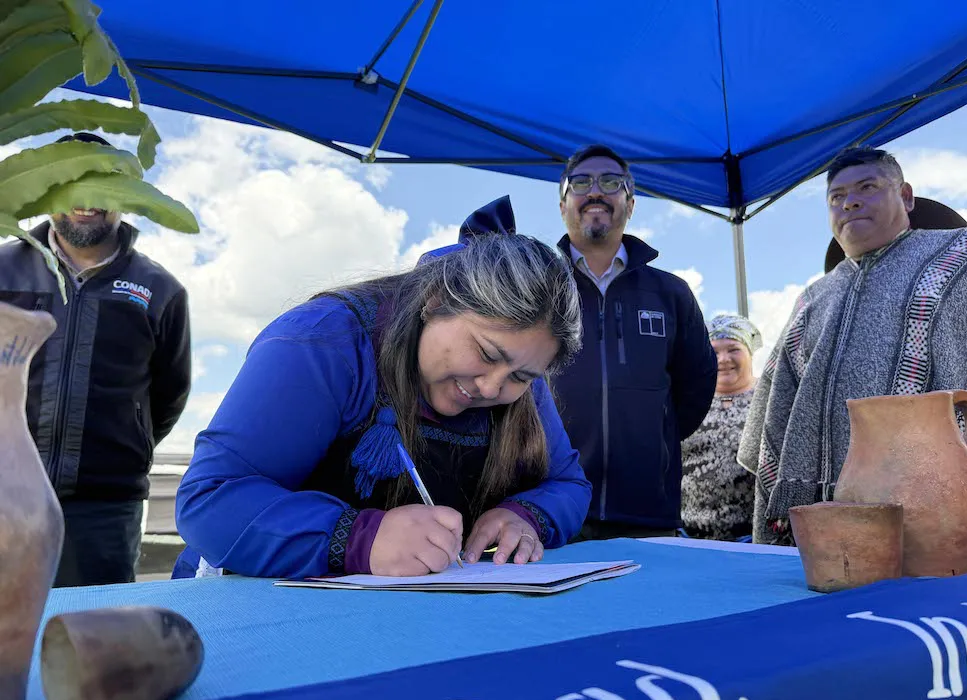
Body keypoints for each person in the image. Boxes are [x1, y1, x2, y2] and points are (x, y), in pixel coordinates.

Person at [171, 197, 591, 579]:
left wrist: (527, 516)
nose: (491, 386)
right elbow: (210, 500)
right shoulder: (322, 341)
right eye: (485, 352)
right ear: (435, 301)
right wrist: (360, 539)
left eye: (521, 377)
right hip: (253, 611)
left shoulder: (520, 373)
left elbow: (568, 484)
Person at [738, 146, 967, 557]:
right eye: (836, 197)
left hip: (942, 505)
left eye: (867, 187)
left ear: (907, 196)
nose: (850, 202)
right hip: (826, 517)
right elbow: (777, 407)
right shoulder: (813, 299)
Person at [0, 131, 191, 586]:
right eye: (74, 181)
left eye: (104, 183)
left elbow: (168, 395)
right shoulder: (1, 270)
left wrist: (119, 450)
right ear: (50, 191)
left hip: (104, 512)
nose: (87, 198)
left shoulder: (161, 290)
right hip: (3, 496)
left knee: (93, 643)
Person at [548, 144, 717, 542]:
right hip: (553, 513)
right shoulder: (538, 287)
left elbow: (696, 386)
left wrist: (651, 435)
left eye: (611, 182)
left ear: (630, 203)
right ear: (562, 204)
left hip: (650, 517)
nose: (595, 191)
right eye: (581, 182)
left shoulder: (670, 293)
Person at [680, 314, 762, 541]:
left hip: (752, 539)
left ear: (749, 351)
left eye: (733, 349)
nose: (723, 359)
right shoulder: (688, 399)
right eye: (714, 351)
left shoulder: (770, 399)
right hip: (690, 538)